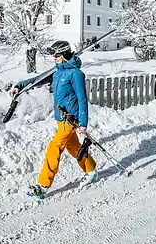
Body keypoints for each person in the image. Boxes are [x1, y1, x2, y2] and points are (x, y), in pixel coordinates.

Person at [9, 40, 98, 199]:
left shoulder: (75, 73)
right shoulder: (58, 72)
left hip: (71, 119)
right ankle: (91, 170)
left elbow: (82, 99)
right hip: (60, 118)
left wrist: (83, 123)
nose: (54, 57)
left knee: (54, 147)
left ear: (64, 54)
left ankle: (43, 185)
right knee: (73, 146)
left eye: (56, 55)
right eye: (53, 55)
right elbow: (37, 79)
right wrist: (19, 86)